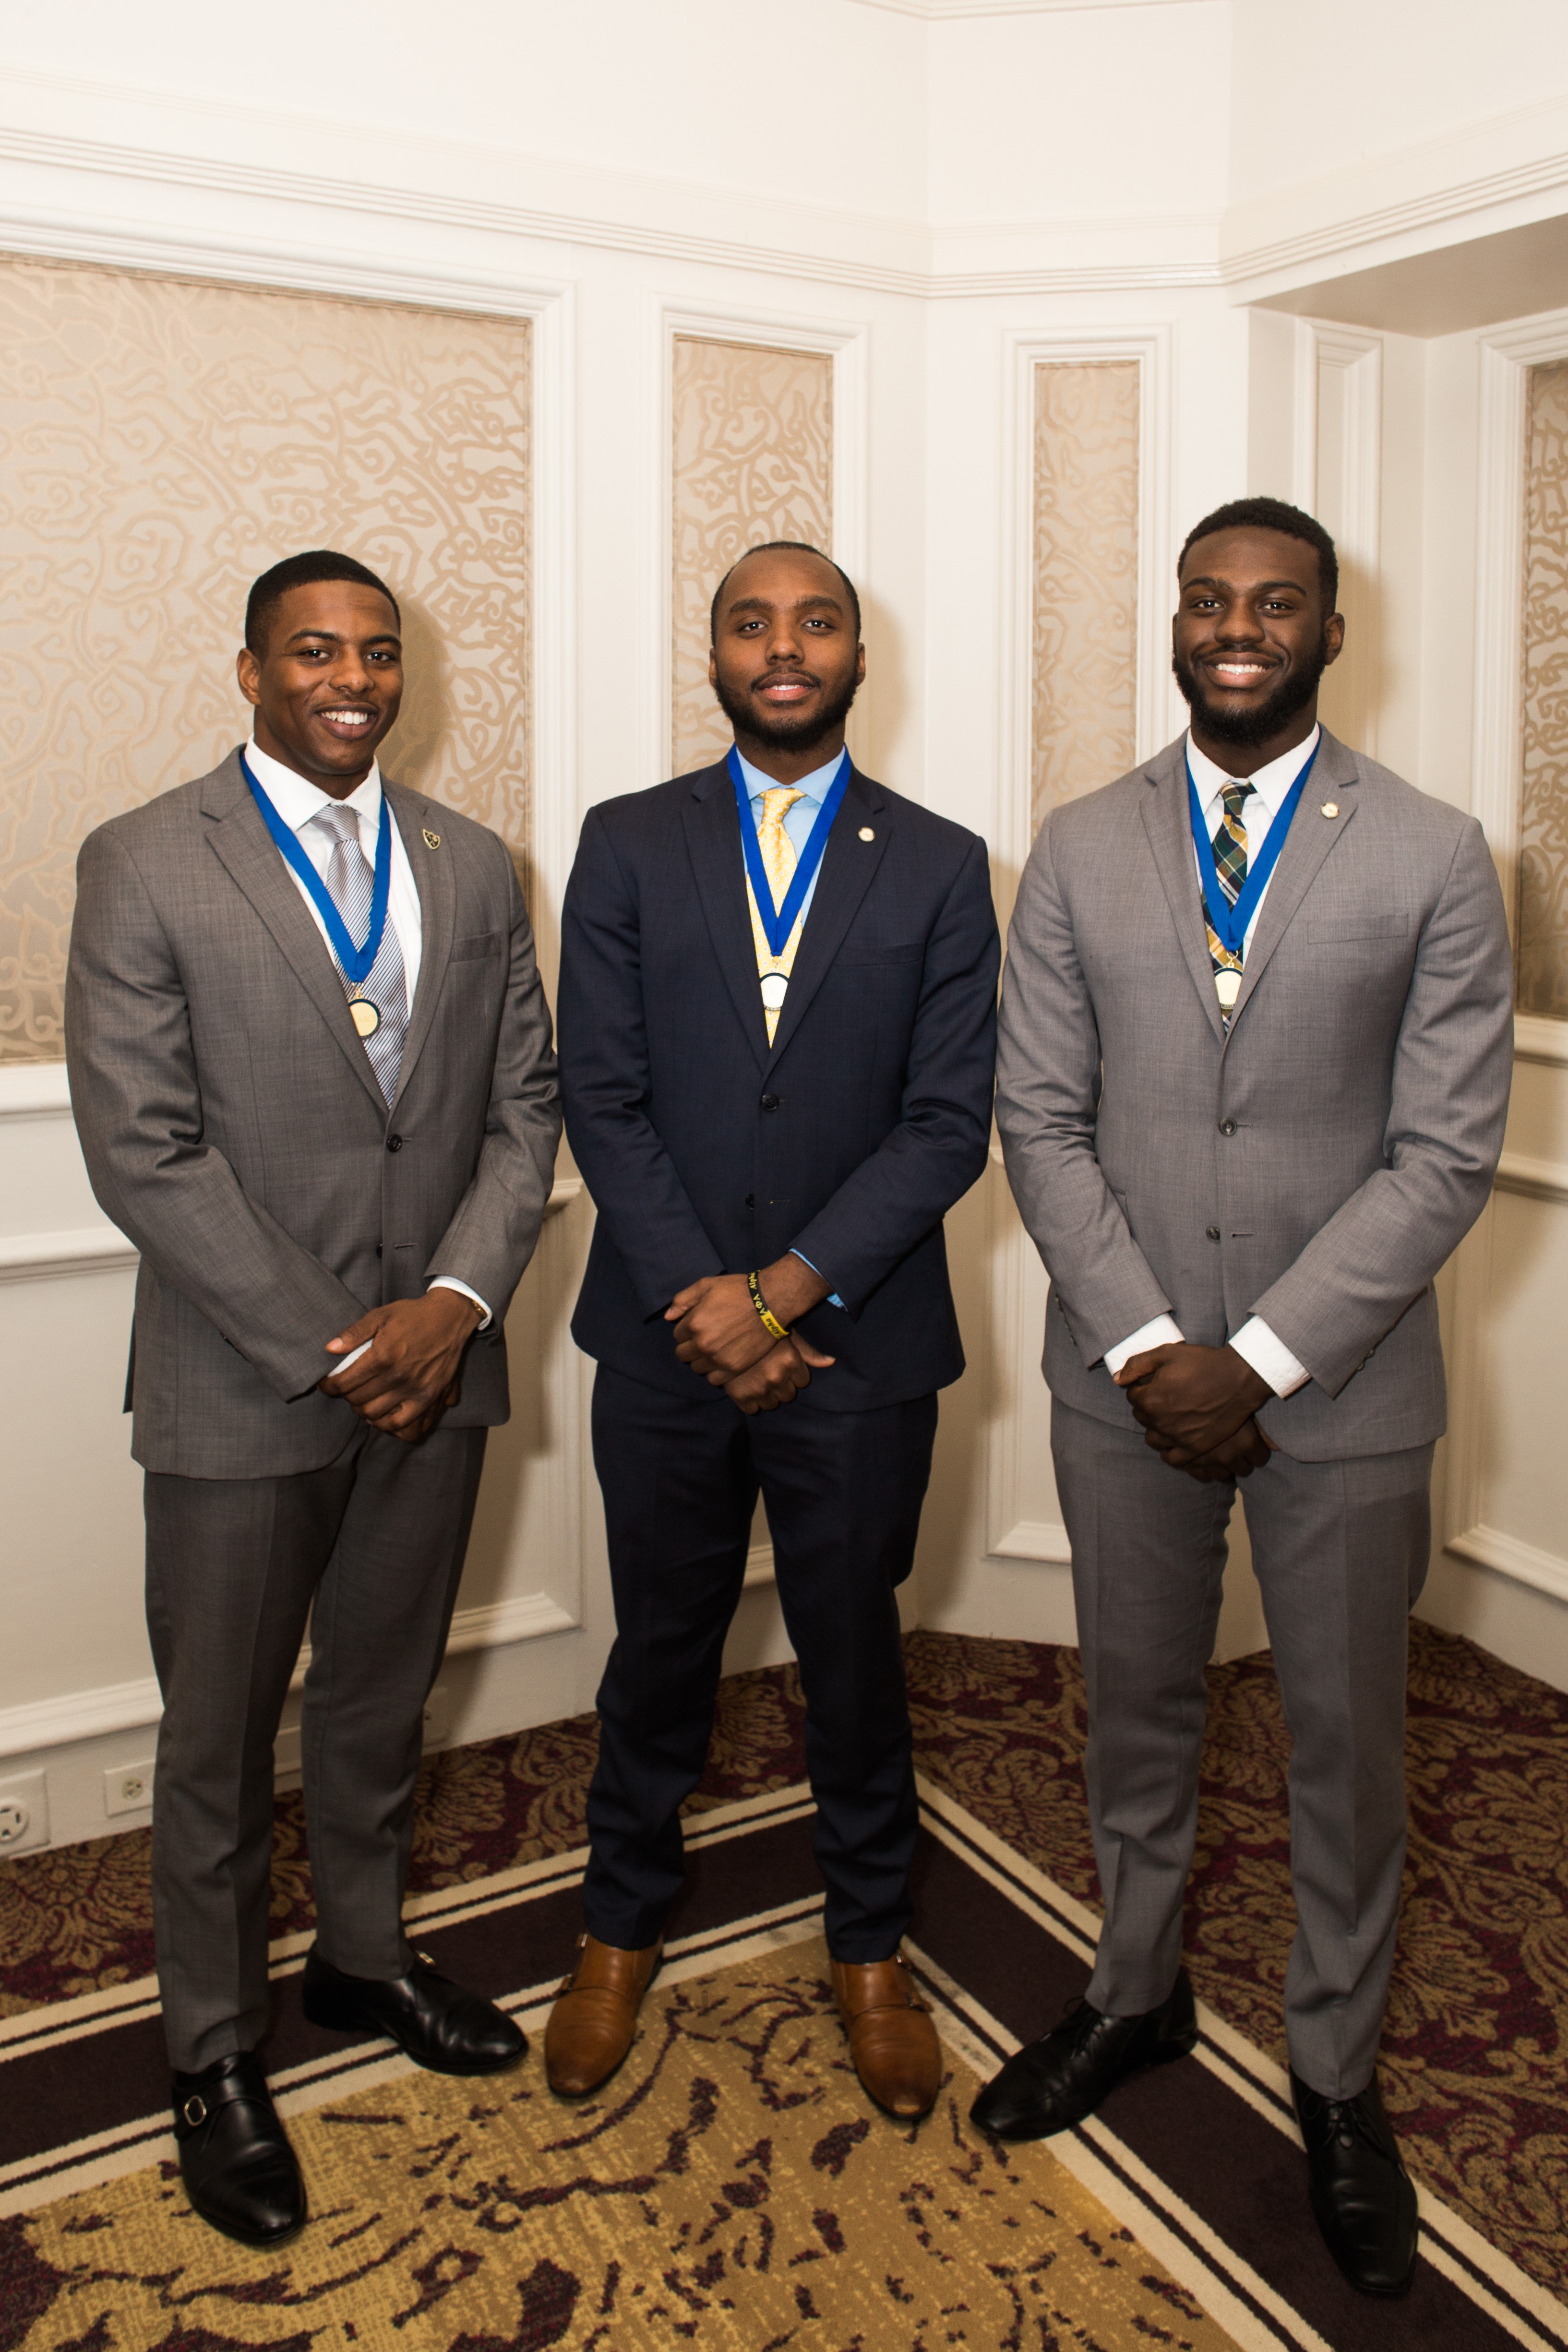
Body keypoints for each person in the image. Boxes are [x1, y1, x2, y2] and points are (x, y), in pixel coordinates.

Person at [978, 498, 1513, 2298]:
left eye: (1274, 603)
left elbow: (1444, 1153)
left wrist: (1261, 1358)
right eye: (1206, 599)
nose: (1234, 627)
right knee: (1132, 1710)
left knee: (1346, 1745)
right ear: (1174, 622)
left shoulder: (1433, 852)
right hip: (1121, 1384)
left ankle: (1336, 2074)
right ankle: (1131, 1991)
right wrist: (1148, 1346)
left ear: (1330, 634)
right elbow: (1038, 1117)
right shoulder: (1079, 842)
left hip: (1337, 1394)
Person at [65, 550, 562, 2250]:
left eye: (376, 652)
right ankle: (211, 2052)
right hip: (243, 1378)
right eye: (313, 652)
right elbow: (143, 1148)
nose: (351, 679)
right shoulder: (146, 858)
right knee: (216, 1739)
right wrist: (345, 1344)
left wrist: (453, 1307)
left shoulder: (474, 863)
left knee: (378, 1698)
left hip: (443, 1368)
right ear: (252, 671)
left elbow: (524, 1106)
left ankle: (361, 1958)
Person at [550, 541, 998, 2120]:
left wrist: (787, 1292)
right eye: (752, 623)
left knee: (854, 1659)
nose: (783, 647)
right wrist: (713, 1304)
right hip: (662, 1341)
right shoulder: (626, 840)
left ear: (860, 657)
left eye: (815, 624)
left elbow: (946, 1124)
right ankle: (617, 1928)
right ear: (715, 656)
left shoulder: (939, 862)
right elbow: (599, 1095)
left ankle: (868, 1946)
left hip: (857, 1352)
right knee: (658, 1648)